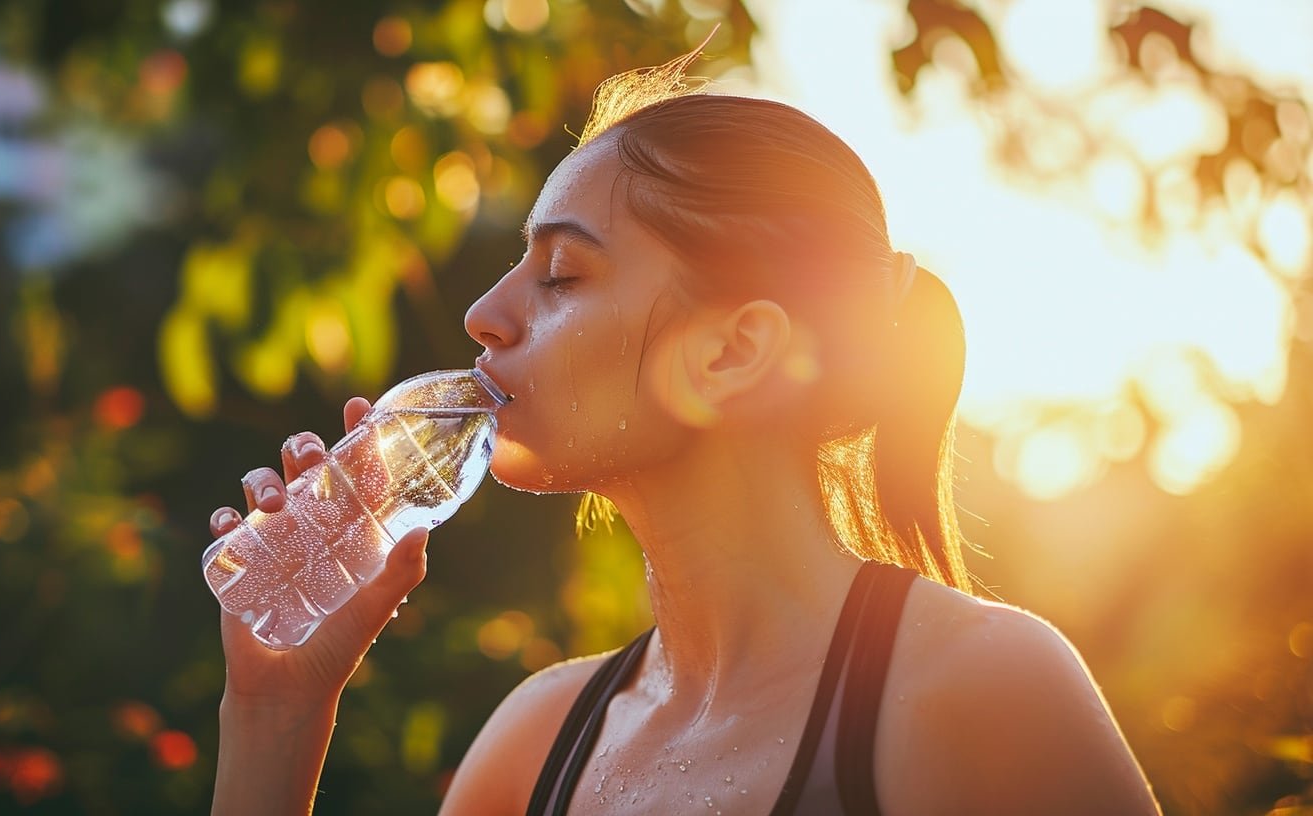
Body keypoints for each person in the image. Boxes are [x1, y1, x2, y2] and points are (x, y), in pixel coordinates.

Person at [206, 49, 1163, 815]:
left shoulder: (983, 693)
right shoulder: (534, 744)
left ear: (732, 353)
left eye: (563, 276)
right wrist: (277, 713)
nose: (484, 316)